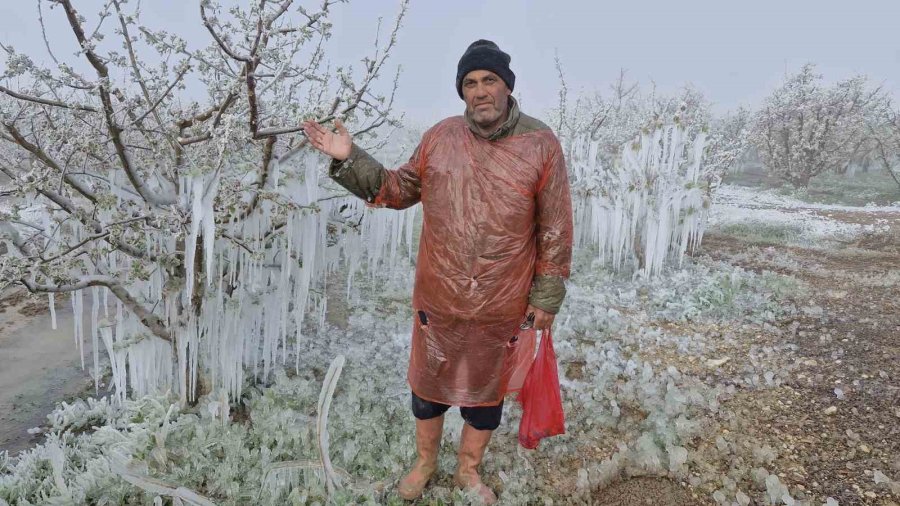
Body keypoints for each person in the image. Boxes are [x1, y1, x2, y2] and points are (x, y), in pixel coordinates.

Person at [302, 39, 573, 504]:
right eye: (470, 83)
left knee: (485, 398)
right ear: (461, 92)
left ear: (507, 86)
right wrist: (351, 157)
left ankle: (468, 471)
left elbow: (555, 224)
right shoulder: (440, 137)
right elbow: (397, 189)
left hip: (502, 300)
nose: (480, 91)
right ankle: (425, 462)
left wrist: (546, 296)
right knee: (428, 391)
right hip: (440, 296)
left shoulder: (540, 143)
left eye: (489, 80)